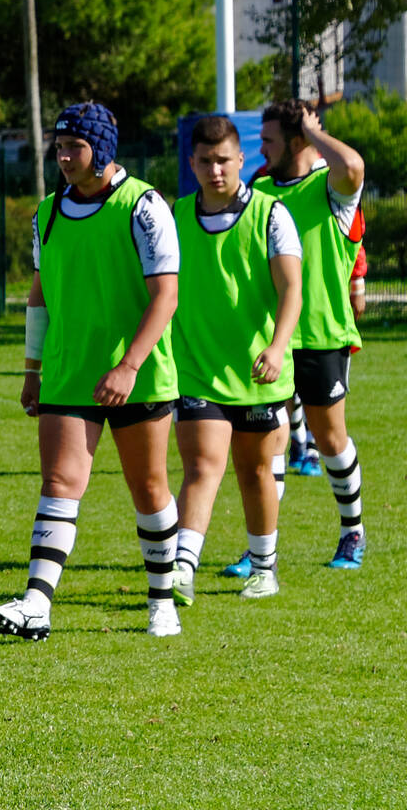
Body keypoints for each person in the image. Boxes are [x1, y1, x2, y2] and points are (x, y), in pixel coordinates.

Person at [0, 102, 182, 641]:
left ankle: (162, 600)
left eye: (76, 147)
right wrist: (32, 369)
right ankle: (36, 603)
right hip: (69, 373)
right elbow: (41, 294)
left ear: (103, 151)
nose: (64, 157)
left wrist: (129, 365)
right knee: (60, 483)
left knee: (148, 487)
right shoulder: (46, 211)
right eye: (60, 146)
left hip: (137, 376)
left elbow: (166, 294)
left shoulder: (143, 206)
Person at [167, 115, 300, 603]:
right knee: (202, 466)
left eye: (224, 160)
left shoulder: (271, 214)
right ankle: (182, 567)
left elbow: (292, 290)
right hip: (197, 367)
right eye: (205, 161)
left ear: (241, 159)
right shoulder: (177, 215)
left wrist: (278, 344)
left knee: (255, 471)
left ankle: (264, 566)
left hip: (257, 371)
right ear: (192, 163)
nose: (215, 170)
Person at [248, 99, 368, 570]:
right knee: (268, 441)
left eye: (270, 140)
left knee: (329, 437)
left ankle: (352, 532)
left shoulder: (331, 187)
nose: (262, 148)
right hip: (270, 338)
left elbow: (353, 165)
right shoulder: (258, 188)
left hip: (322, 335)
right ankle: (262, 549)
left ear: (296, 142)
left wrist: (313, 132)